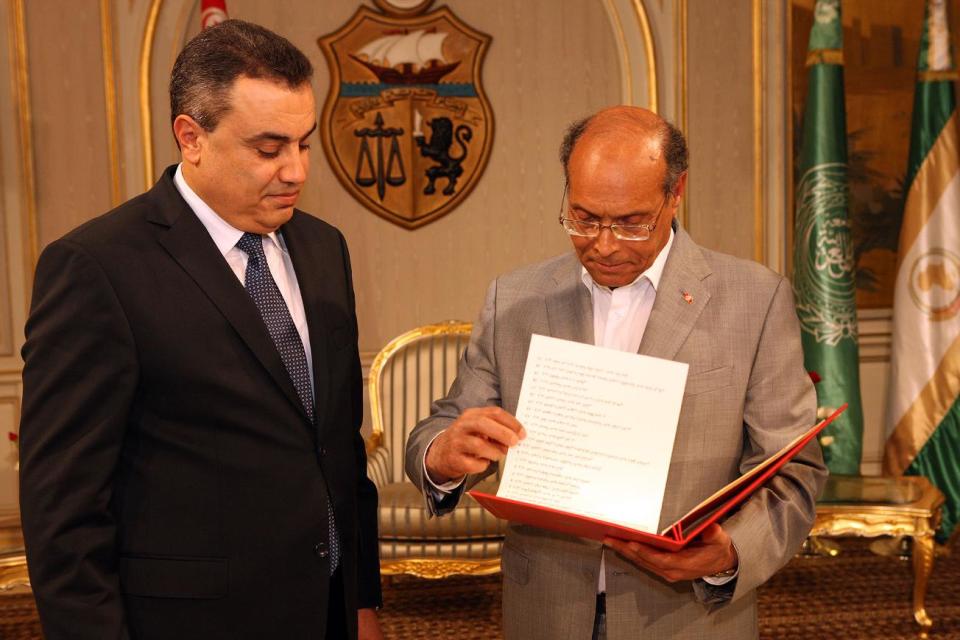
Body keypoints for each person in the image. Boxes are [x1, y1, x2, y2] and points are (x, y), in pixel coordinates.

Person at [405, 106, 828, 639]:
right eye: (583, 218)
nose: (603, 245)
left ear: (676, 194)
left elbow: (793, 473)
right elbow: (443, 426)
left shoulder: (755, 300)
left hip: (687, 617)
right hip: (547, 610)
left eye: (631, 223)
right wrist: (442, 455)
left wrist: (728, 553)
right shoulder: (514, 298)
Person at [19, 20, 382, 640]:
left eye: (304, 143)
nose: (296, 171)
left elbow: (337, 449)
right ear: (191, 136)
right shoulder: (98, 268)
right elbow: (64, 512)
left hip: (325, 613)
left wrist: (361, 601)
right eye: (269, 149)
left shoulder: (325, 247)